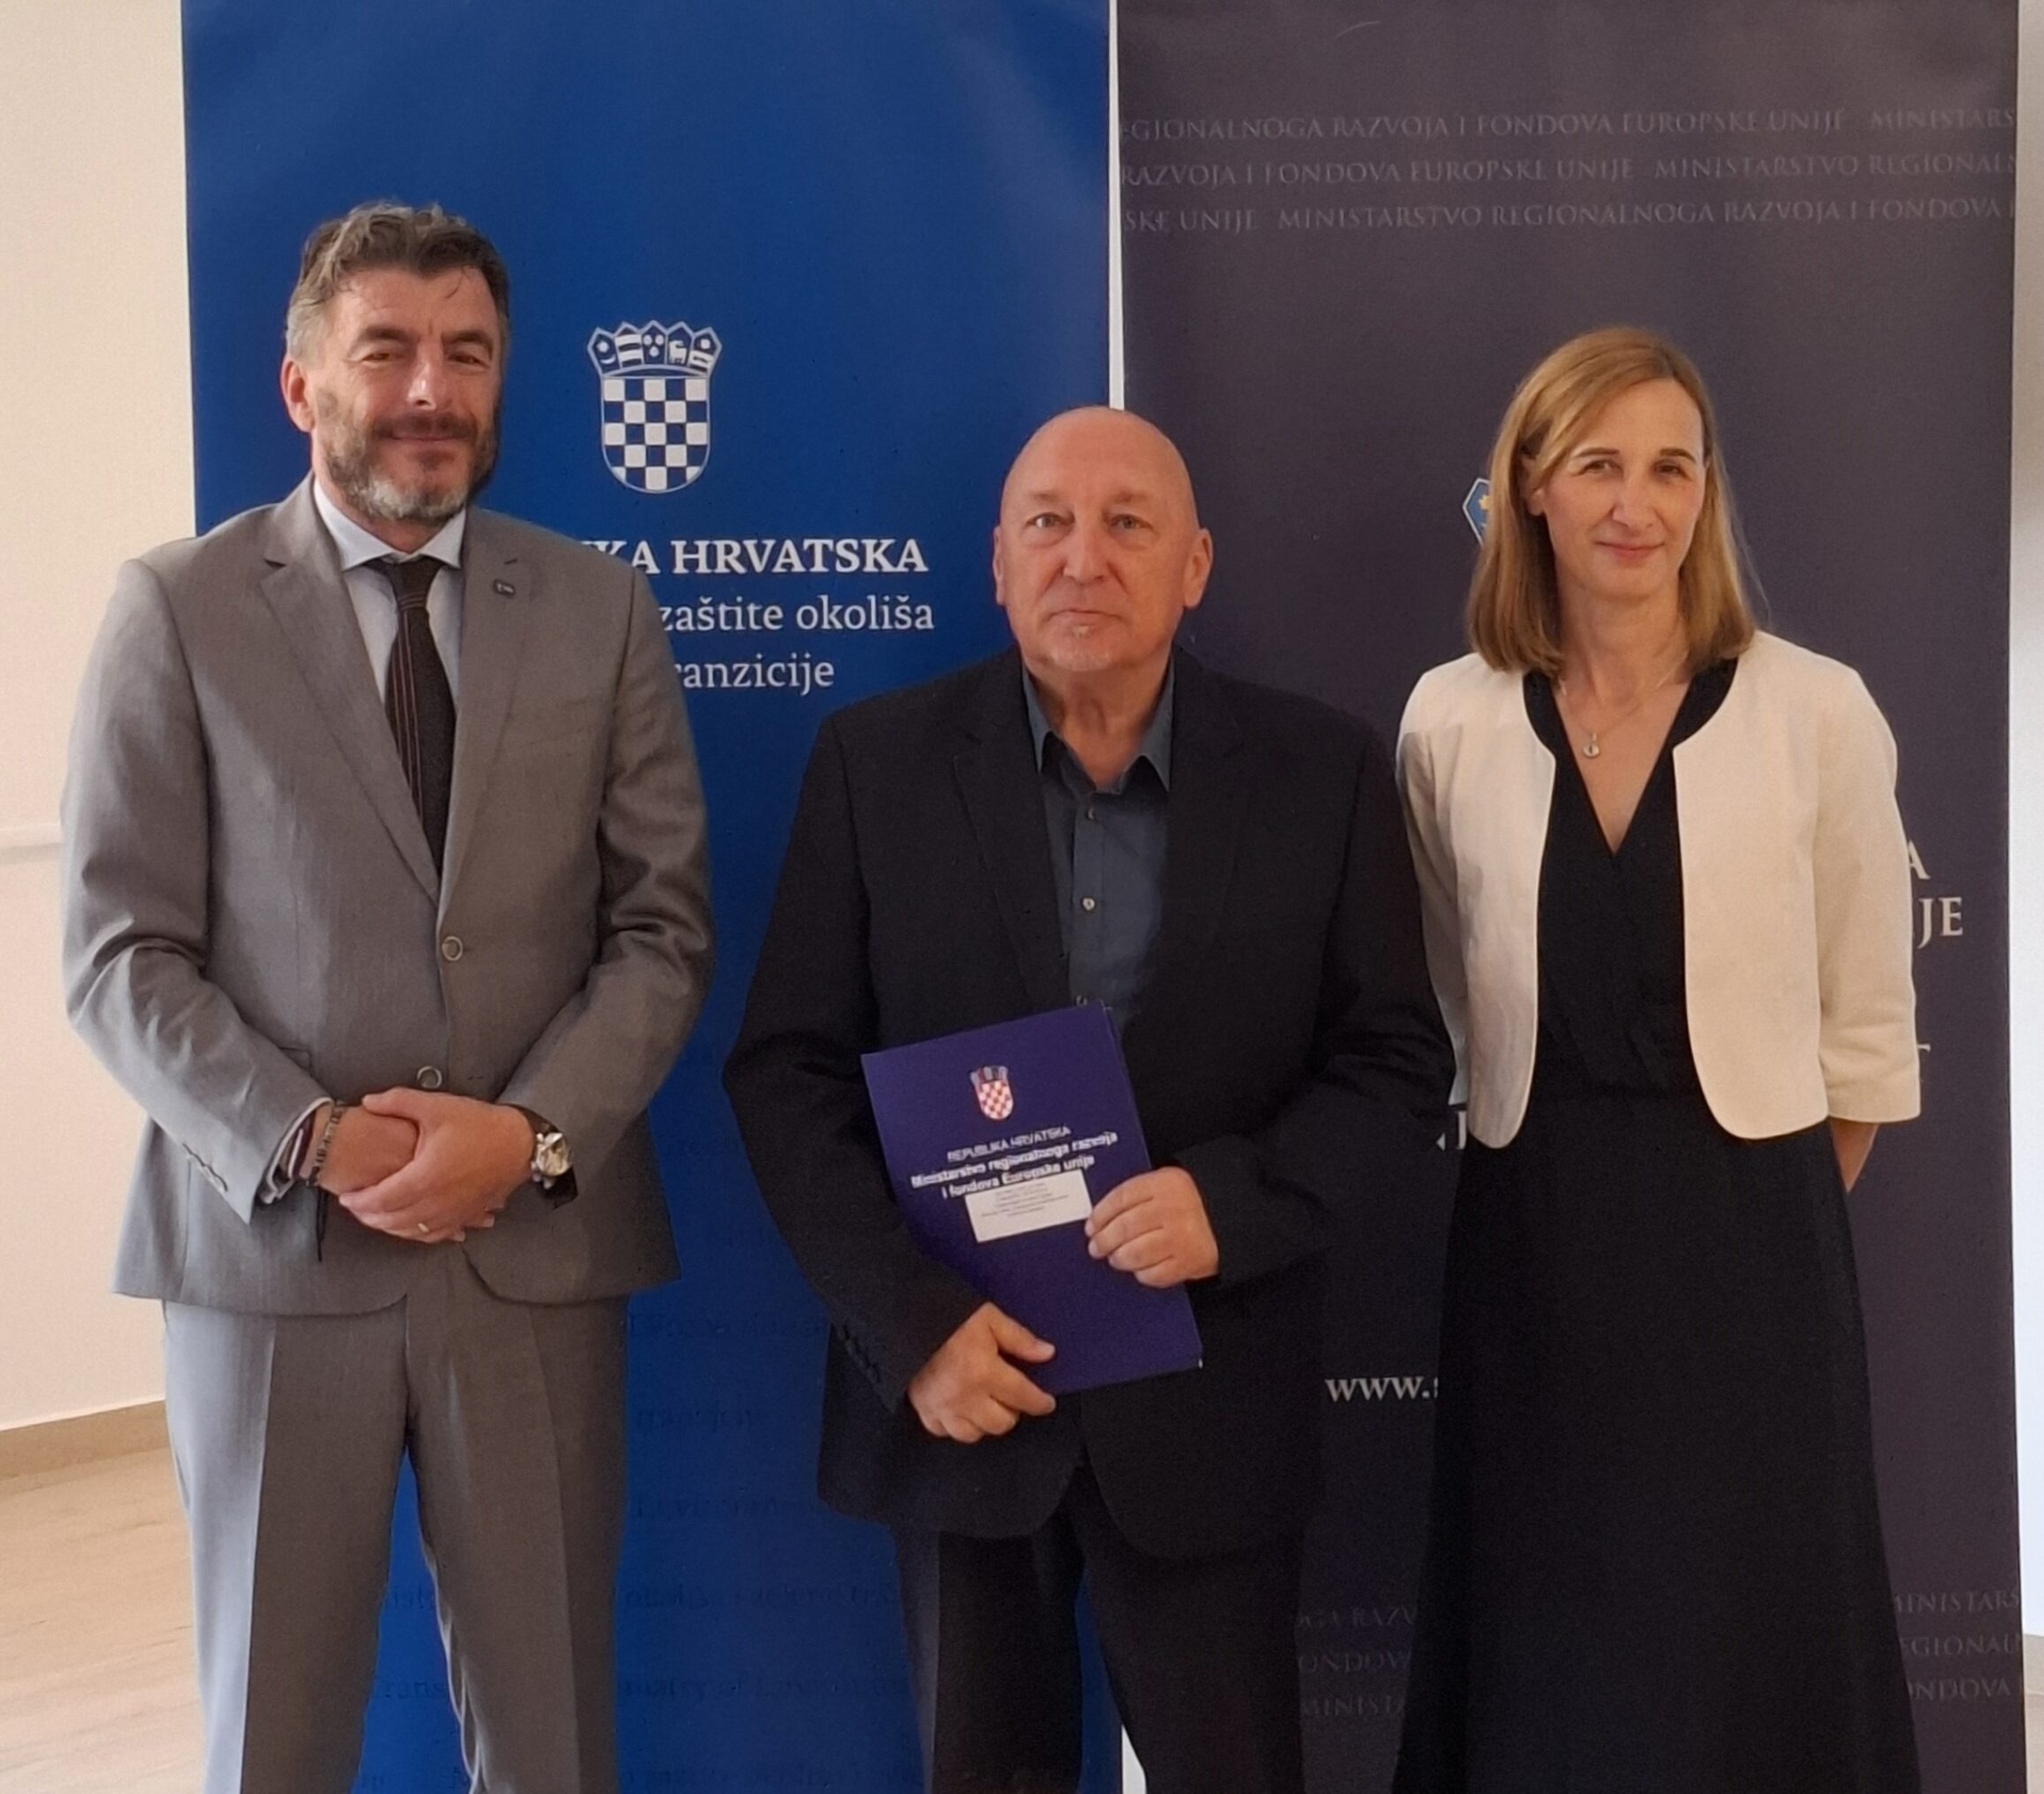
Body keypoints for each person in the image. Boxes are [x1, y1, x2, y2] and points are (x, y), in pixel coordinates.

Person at [62, 202, 712, 1794]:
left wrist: (528, 1132)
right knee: (272, 1742)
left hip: (533, 1259)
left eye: (467, 353)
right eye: (389, 351)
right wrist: (316, 1137)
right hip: (272, 1267)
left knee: (554, 1739)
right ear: (303, 385)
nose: (432, 388)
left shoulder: (600, 608)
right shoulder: (178, 608)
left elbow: (661, 929)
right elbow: (118, 953)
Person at [725, 407, 1453, 1794]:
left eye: (1128, 524)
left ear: (1195, 565)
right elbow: (787, 1074)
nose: (1083, 556)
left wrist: (1233, 1207)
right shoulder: (874, 766)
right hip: (963, 1400)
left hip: (1212, 1399)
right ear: (998, 563)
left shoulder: (1326, 772)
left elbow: (1395, 1059)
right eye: (1048, 524)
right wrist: (910, 1326)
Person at [1391, 328, 1922, 1791]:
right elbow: (1444, 992)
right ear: (1531, 488)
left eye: (1672, 468)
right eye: (1599, 465)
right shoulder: (1447, 719)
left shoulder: (1819, 709)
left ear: (1706, 493)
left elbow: (1865, 1035)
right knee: (1547, 1611)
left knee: (1755, 1612)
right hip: (1534, 1232)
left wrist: (1762, 1209)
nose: (1639, 503)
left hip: (1755, 1243)